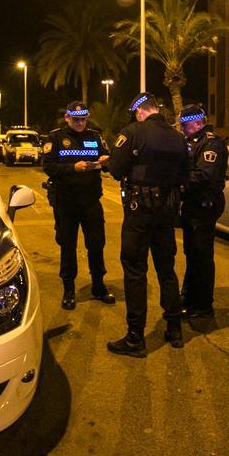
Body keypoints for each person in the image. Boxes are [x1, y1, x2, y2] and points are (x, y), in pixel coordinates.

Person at [106, 92, 189, 357]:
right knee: (166, 269)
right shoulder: (178, 138)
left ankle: (135, 337)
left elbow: (116, 170)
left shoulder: (133, 131)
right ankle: (174, 328)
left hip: (139, 209)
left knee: (134, 269)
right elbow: (185, 175)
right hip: (167, 210)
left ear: (141, 111)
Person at [42, 101, 115, 310]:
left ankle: (98, 286)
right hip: (66, 201)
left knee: (96, 243)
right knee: (67, 245)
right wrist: (73, 168)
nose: (80, 123)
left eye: (83, 119)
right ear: (67, 118)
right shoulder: (55, 138)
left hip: (91, 200)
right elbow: (49, 167)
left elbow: (108, 164)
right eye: (76, 119)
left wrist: (106, 161)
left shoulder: (95, 137)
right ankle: (69, 289)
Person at [178, 103, 228, 318]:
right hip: (192, 205)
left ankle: (203, 303)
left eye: (184, 125)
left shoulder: (211, 144)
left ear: (197, 122)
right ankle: (189, 295)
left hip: (204, 205)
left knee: (202, 256)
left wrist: (176, 180)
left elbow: (204, 175)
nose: (182, 129)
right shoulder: (191, 142)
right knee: (191, 253)